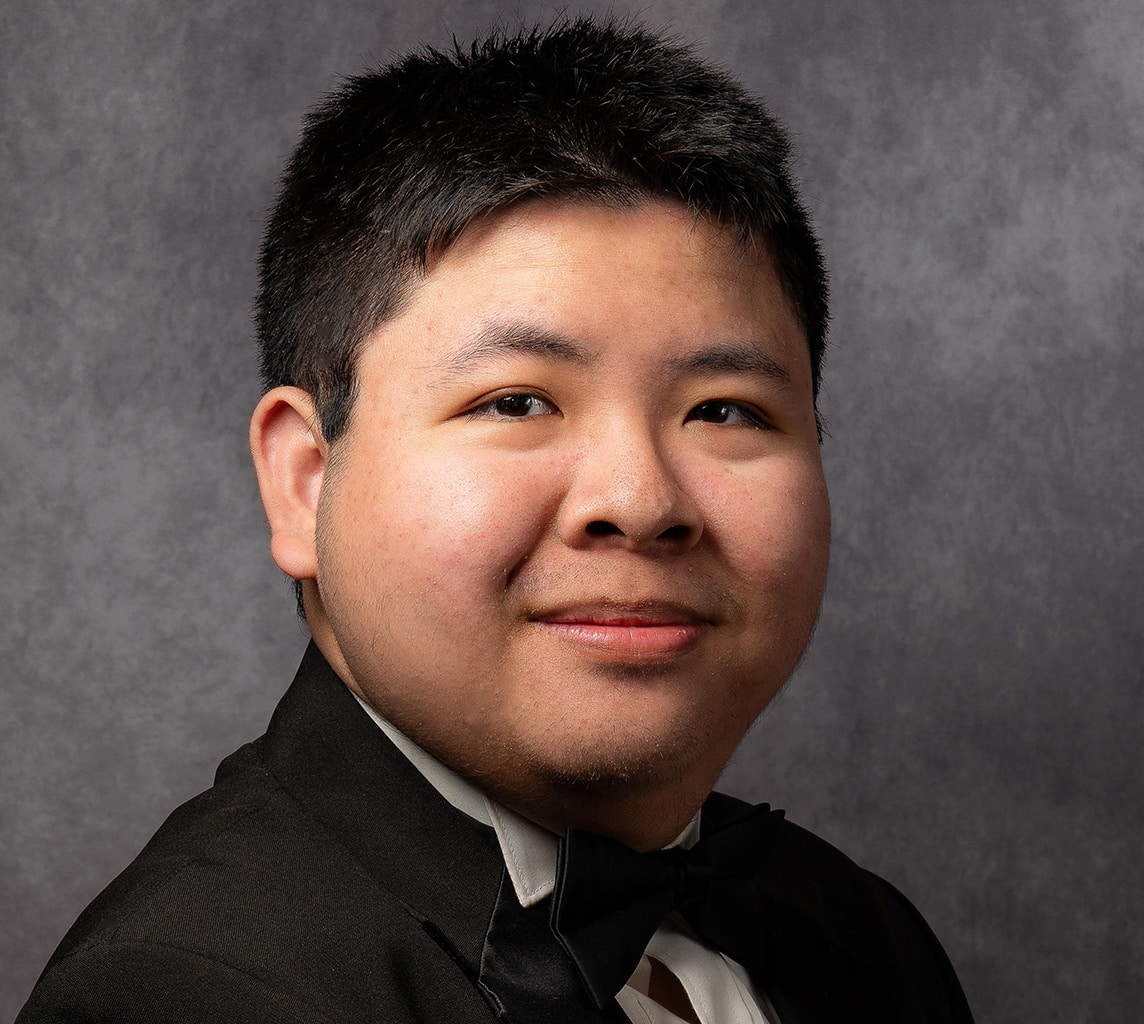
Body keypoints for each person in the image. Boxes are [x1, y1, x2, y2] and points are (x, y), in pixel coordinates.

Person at [18, 17, 973, 1024]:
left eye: (723, 409)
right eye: (516, 401)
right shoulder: (188, 990)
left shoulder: (862, 935)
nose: (640, 502)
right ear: (305, 479)